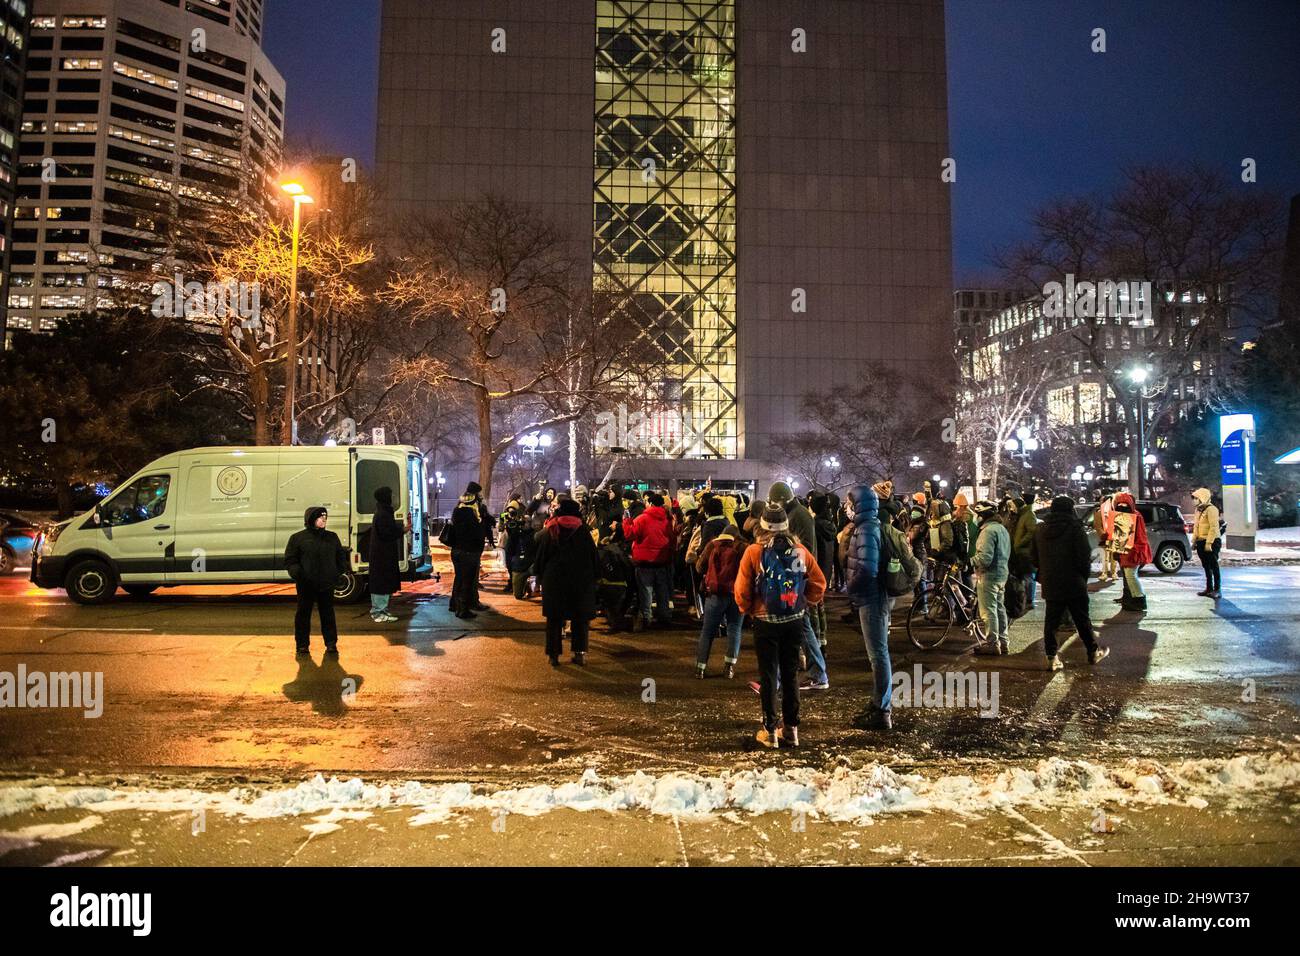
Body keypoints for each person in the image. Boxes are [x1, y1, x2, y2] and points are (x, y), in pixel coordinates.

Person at [735, 504, 826, 748]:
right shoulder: (800, 550)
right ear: (787, 525)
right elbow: (819, 582)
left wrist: (749, 611)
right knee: (790, 675)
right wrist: (804, 602)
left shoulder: (754, 552)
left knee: (768, 675)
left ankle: (770, 731)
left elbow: (742, 591)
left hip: (765, 621)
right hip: (794, 621)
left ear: (761, 526)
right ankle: (791, 729)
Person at [1032, 496, 1110, 670]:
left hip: (1051, 582)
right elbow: (1084, 558)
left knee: (1051, 622)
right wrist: (1083, 577)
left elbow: (1034, 557)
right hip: (1074, 581)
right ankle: (1092, 651)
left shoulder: (1040, 529)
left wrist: (1046, 571)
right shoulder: (1075, 528)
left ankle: (1051, 657)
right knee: (1082, 619)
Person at [845, 485, 895, 730]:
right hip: (870, 597)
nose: (847, 507)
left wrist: (851, 588)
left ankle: (882, 710)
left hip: (872, 598)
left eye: (849, 503)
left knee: (878, 655)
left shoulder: (866, 529)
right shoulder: (867, 526)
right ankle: (879, 703)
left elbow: (867, 568)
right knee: (877, 654)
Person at [533, 498, 599, 666]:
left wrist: (538, 576)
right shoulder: (583, 531)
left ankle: (553, 655)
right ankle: (580, 653)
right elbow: (594, 557)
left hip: (554, 581)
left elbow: (541, 557)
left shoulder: (552, 529)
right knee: (580, 618)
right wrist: (596, 577)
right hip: (580, 581)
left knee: (554, 619)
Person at [285, 506, 349, 656]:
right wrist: (298, 573)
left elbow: (340, 557)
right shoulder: (298, 538)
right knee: (303, 614)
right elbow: (290, 560)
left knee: (327, 613)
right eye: (320, 517)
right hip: (306, 584)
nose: (324, 520)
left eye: (325, 517)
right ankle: (302, 645)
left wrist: (337, 572)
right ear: (311, 519)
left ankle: (331, 643)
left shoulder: (332, 537)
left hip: (326, 583)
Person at [693, 522, 745, 678]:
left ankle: (700, 668)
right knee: (734, 628)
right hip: (736, 594)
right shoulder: (742, 547)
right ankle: (729, 668)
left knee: (707, 631)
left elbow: (699, 567)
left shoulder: (712, 545)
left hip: (714, 595)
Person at [623, 491, 675, 629]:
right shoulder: (668, 518)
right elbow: (672, 538)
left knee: (646, 591)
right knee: (662, 590)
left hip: (644, 561)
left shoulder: (642, 518)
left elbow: (630, 534)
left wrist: (626, 521)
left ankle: (647, 617)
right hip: (663, 559)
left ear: (650, 503)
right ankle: (664, 616)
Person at [971, 499, 1011, 654]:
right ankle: (1004, 642)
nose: (977, 517)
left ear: (984, 515)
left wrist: (970, 562)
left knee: (989, 611)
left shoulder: (987, 531)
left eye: (978, 514)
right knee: (1000, 609)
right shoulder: (1001, 529)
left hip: (989, 576)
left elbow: (985, 558)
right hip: (1002, 575)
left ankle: (992, 644)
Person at [446, 483, 491, 619]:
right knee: (468, 581)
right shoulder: (472, 514)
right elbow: (478, 532)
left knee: (460, 578)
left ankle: (455, 604)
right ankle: (464, 608)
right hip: (470, 552)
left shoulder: (457, 510)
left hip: (457, 550)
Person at [367, 486, 407, 623]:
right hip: (382, 555)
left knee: (382, 582)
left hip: (382, 554)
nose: (393, 497)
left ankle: (381, 610)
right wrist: (402, 531)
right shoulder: (383, 514)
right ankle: (378, 612)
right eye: (391, 495)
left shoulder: (382, 512)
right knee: (382, 583)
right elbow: (387, 533)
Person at [1109, 492, 1151, 612]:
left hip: (1132, 550)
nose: (1122, 506)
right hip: (1127, 550)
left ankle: (1139, 599)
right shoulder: (1126, 515)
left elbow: (1140, 536)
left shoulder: (1135, 516)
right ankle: (1131, 599)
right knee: (1129, 576)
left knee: (1131, 575)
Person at [1191, 487, 1222, 599]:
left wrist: (1209, 543)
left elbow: (1213, 527)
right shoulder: (1198, 510)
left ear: (1202, 498)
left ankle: (1217, 589)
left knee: (1213, 565)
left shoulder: (1212, 509)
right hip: (1201, 541)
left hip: (1212, 541)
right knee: (1206, 566)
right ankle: (1209, 588)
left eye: (1195, 498)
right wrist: (1194, 541)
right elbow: (1196, 527)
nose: (1194, 500)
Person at [1010, 495, 1040, 610]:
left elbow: (1031, 531)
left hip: (1025, 551)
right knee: (1024, 576)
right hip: (1020, 551)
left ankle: (1029, 600)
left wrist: (1020, 543)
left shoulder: (1029, 515)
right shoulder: (1022, 515)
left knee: (1029, 576)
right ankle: (1025, 599)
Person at [1095, 494, 1117, 583]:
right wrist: (1103, 535)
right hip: (1105, 538)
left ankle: (1114, 573)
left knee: (1114, 557)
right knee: (1105, 556)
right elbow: (1097, 526)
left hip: (1114, 537)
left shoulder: (1115, 511)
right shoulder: (1099, 512)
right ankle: (1104, 573)